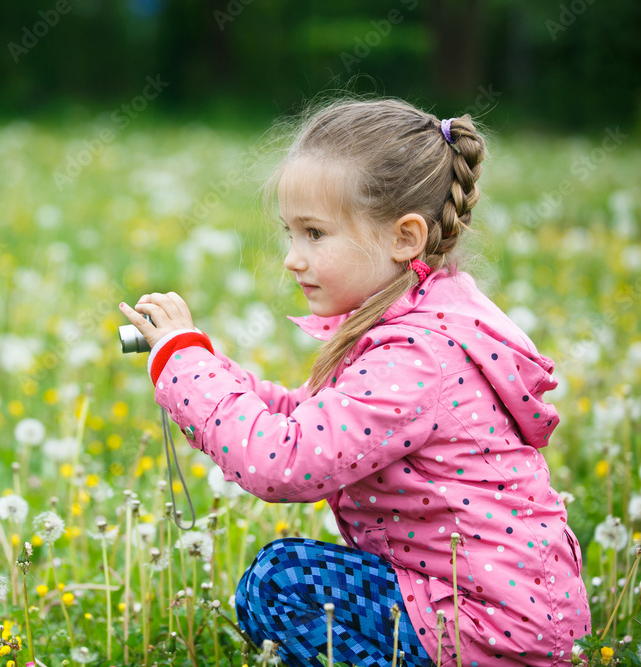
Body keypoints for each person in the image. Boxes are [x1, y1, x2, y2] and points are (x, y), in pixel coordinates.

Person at [118, 97, 590, 667]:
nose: (292, 258)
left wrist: (188, 371)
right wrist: (200, 365)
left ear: (404, 238)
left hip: (481, 626)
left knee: (281, 582)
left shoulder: (418, 358)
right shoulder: (422, 320)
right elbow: (303, 419)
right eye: (289, 233)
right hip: (482, 610)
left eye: (315, 234)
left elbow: (281, 461)